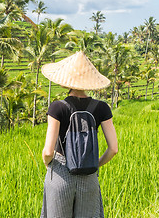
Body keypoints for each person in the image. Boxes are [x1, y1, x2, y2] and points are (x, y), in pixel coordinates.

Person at [40, 51, 118, 218]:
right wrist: (95, 164)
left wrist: (49, 164)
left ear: (65, 81)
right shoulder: (102, 107)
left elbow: (48, 151)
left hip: (60, 174)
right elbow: (113, 149)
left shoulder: (57, 107)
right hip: (89, 176)